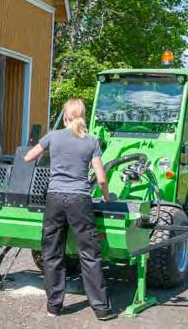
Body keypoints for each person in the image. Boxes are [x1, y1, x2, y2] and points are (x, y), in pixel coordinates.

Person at [24, 99, 116, 321]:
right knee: (89, 254)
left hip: (54, 198)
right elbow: (101, 179)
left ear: (65, 116)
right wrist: (106, 197)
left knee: (52, 252)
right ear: (83, 116)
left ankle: (54, 306)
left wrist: (52, 154)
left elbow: (28, 157)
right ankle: (101, 308)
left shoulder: (53, 136)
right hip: (80, 200)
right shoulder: (91, 141)